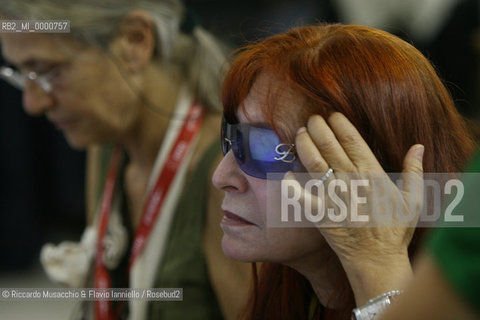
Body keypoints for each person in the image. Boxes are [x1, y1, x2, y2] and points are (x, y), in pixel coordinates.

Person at [0, 1, 250, 319]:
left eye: (49, 71)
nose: (32, 103)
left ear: (135, 41)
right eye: (22, 73)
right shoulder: (108, 142)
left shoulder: (227, 172)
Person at [212, 24, 476, 319]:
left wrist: (379, 265)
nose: (221, 177)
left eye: (261, 147)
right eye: (231, 136)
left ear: (371, 172)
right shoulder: (292, 289)